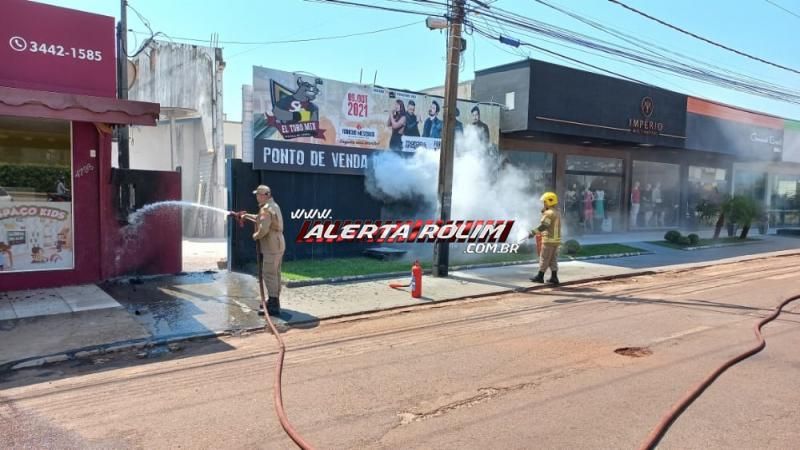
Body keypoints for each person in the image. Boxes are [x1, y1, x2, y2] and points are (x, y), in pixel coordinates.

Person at [246, 185, 285, 316]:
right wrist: (246, 216)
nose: (257, 197)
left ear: (265, 195)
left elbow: (263, 229)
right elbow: (261, 219)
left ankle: (273, 305)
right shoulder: (273, 206)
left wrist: (255, 236)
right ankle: (274, 300)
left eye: (259, 194)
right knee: (275, 273)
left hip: (271, 245)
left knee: (269, 274)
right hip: (278, 243)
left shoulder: (265, 209)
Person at [530, 192, 562, 284]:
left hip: (548, 240)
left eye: (544, 202)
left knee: (544, 258)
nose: (543, 204)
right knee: (553, 259)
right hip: (556, 241)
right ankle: (554, 277)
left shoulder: (548, 213)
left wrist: (533, 232)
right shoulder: (557, 212)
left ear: (548, 202)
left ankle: (540, 276)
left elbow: (544, 225)